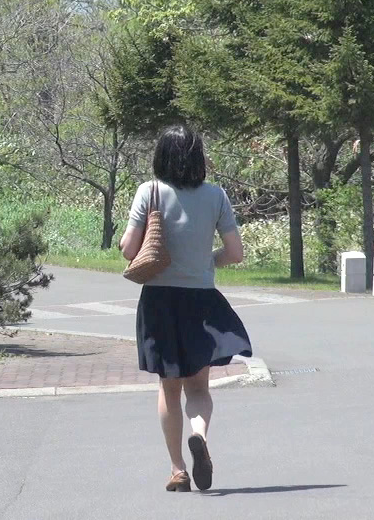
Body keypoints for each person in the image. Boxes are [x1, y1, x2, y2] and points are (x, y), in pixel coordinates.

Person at [119, 124, 252, 493]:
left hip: (159, 301)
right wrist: (207, 260)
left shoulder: (149, 192)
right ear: (197, 157)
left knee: (169, 388)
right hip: (200, 300)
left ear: (161, 156)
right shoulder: (216, 196)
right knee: (198, 387)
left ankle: (178, 469)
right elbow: (235, 253)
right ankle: (200, 435)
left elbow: (129, 250)